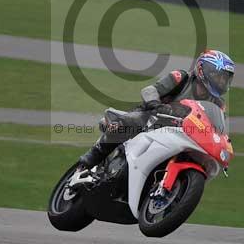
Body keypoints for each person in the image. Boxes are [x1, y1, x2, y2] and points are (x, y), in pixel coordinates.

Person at [78, 49, 235, 169]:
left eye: (225, 79)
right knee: (131, 121)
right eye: (219, 76)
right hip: (154, 118)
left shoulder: (218, 104)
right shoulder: (182, 78)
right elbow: (149, 90)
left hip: (182, 134)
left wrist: (222, 142)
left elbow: (218, 128)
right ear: (203, 70)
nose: (222, 82)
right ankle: (95, 154)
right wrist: (155, 104)